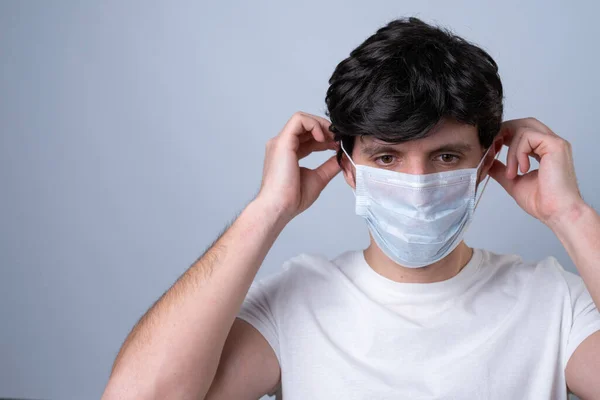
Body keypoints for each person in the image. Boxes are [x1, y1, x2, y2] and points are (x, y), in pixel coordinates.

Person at [102, 17, 600, 399]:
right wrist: (267, 210)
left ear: (486, 161)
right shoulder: (294, 305)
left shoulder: (555, 303)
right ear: (347, 166)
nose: (418, 184)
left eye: (446, 156)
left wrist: (570, 215)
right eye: (387, 157)